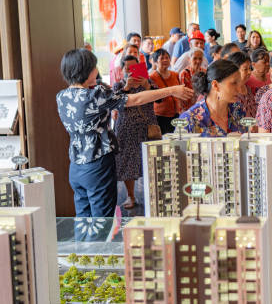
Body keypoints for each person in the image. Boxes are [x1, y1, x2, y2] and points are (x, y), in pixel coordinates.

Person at [56, 49, 192, 217]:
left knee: (83, 218)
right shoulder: (95, 95)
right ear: (86, 70)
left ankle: (84, 236)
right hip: (98, 164)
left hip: (76, 165)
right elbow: (136, 99)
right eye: (94, 66)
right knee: (102, 219)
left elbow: (112, 100)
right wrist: (170, 90)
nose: (96, 70)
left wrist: (126, 88)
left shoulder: (62, 96)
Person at [113, 55, 159, 209]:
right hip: (126, 130)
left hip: (147, 128)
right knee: (127, 162)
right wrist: (126, 88)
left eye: (134, 68)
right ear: (122, 70)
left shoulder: (148, 82)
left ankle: (154, 195)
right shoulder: (119, 86)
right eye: (127, 69)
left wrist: (147, 86)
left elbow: (160, 99)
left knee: (152, 160)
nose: (131, 72)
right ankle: (130, 196)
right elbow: (114, 103)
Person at [179, 60, 247, 136]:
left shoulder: (238, 110)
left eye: (239, 83)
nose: (239, 89)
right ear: (215, 85)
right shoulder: (190, 119)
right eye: (234, 83)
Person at [149, 48, 182, 134]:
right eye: (162, 58)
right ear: (155, 62)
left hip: (176, 114)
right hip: (160, 116)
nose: (165, 60)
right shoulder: (152, 77)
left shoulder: (175, 75)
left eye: (167, 57)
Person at [227, 51, 257, 117]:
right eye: (245, 69)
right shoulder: (230, 94)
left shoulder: (249, 88)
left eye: (249, 68)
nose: (249, 72)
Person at [178, 47, 206, 112]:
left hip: (201, 108)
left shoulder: (205, 72)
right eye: (195, 58)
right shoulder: (184, 73)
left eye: (200, 59)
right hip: (188, 109)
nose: (198, 61)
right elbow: (182, 95)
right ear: (189, 59)